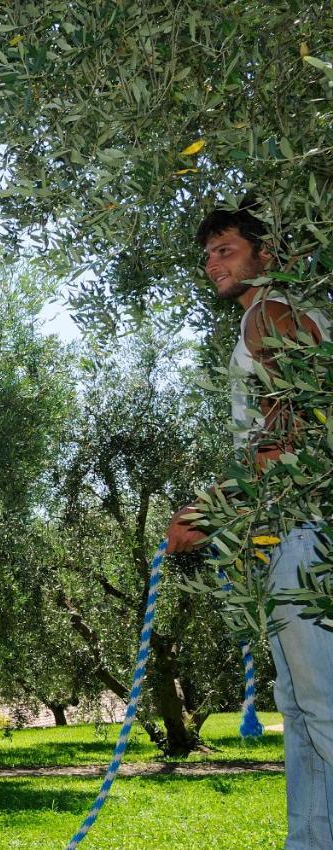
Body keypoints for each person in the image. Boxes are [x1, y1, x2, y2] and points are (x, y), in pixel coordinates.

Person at [166, 204, 333, 848]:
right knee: (299, 712)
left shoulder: (272, 317)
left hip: (308, 530)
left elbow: (291, 441)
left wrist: (209, 514)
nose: (212, 263)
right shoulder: (269, 320)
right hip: (293, 530)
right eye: (207, 254)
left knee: (320, 708)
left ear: (265, 255)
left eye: (227, 249)